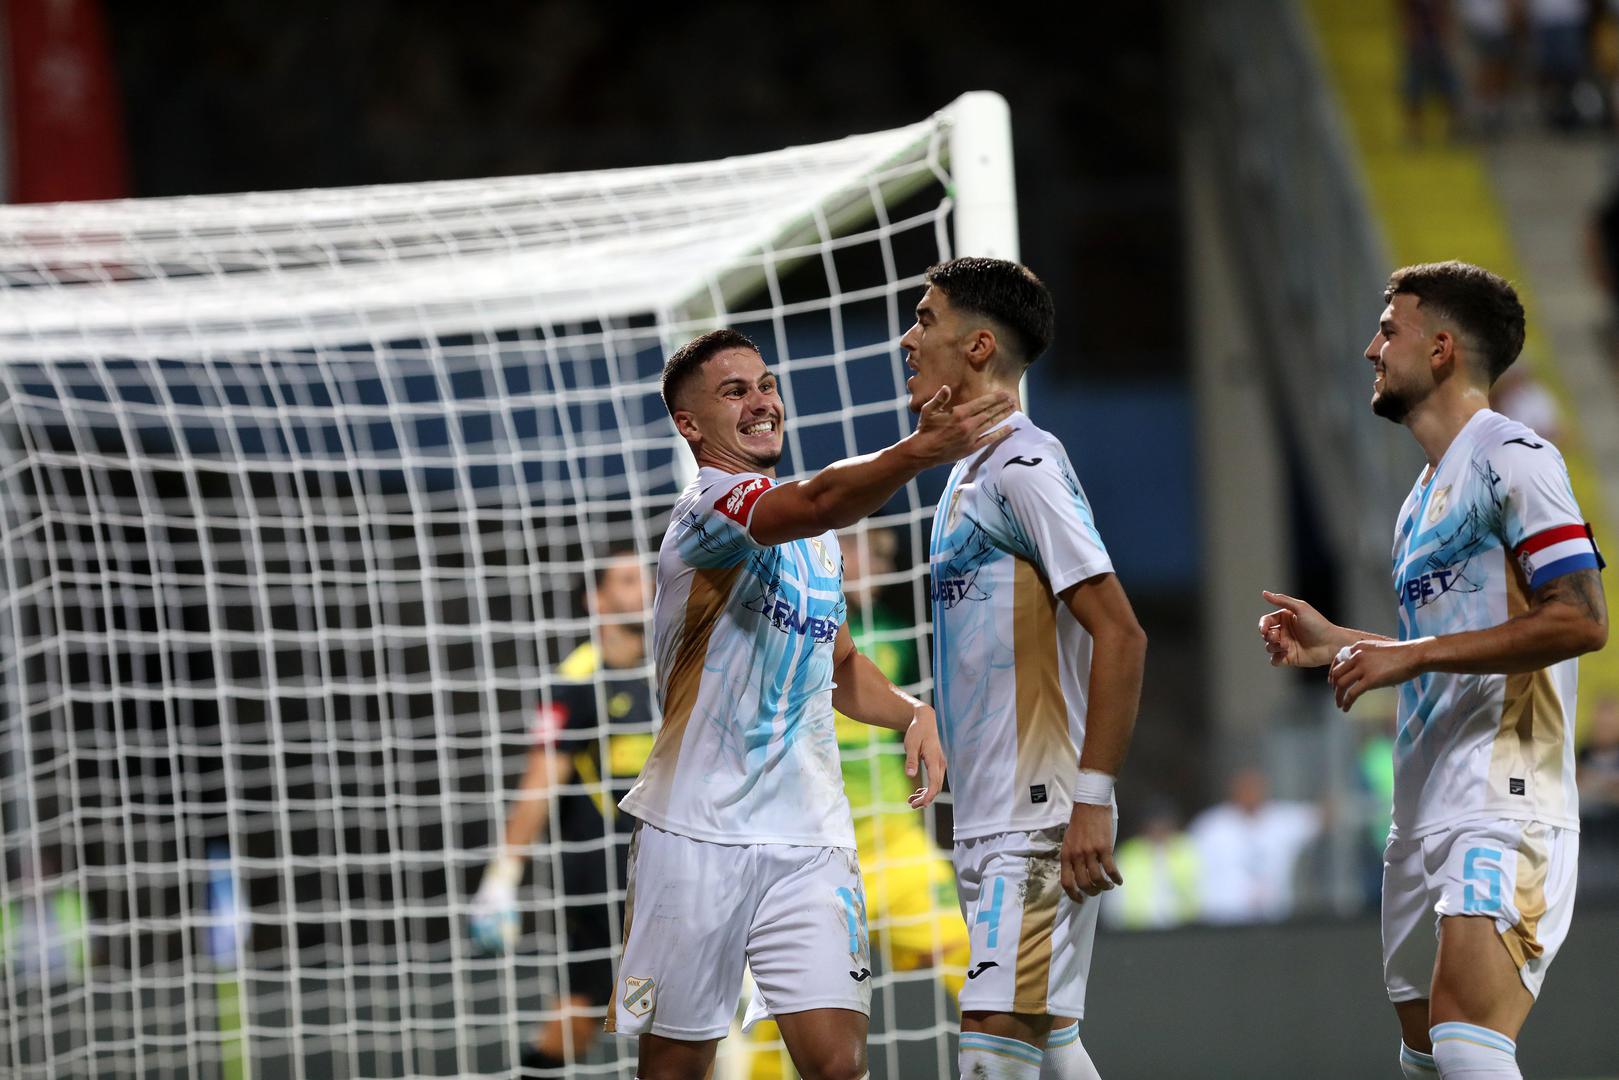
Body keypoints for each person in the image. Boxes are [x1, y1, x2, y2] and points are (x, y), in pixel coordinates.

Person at [608, 328, 1016, 1079]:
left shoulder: (818, 544)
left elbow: (842, 663)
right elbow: (821, 497)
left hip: (810, 838)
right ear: (689, 424)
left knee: (837, 1065)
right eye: (735, 392)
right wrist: (919, 451)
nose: (761, 402)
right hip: (696, 834)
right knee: (673, 1071)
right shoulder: (708, 512)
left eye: (765, 385)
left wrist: (912, 711)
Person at [1259, 261, 1608, 1080]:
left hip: (1504, 799)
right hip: (1420, 814)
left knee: (1466, 1040)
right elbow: (1452, 647)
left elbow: (1580, 619)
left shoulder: (1514, 455)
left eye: (1389, 330)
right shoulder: (1420, 498)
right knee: (1426, 1058)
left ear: (1441, 349)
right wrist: (1340, 644)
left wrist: (1407, 654)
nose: (1370, 348)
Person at [909, 257, 1148, 1080]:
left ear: (978, 347)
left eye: (925, 319)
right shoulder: (964, 476)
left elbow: (1121, 633)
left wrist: (1091, 799)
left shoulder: (1025, 466)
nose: (908, 339)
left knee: (992, 1048)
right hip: (988, 815)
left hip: (1038, 813)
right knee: (1047, 1042)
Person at [743, 524, 970, 1079]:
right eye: (868, 553)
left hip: (893, 839)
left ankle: (1008, 1065)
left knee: (972, 958)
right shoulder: (781, 624)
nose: (877, 567)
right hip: (816, 847)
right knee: (787, 1012)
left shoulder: (895, 634)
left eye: (884, 557)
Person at [469, 549, 655, 1075]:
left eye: (645, 577)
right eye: (626, 580)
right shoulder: (577, 679)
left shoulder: (667, 668)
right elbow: (540, 780)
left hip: (663, 863)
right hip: (600, 872)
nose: (643, 587)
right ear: (596, 600)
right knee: (640, 1003)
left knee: (594, 1004)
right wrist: (503, 876)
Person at [1186, 767, 1322, 924]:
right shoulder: (1211, 826)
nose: (1251, 793)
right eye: (1246, 788)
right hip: (1224, 921)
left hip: (1271, 919)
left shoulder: (1280, 820)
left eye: (1256, 788)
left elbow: (1322, 816)